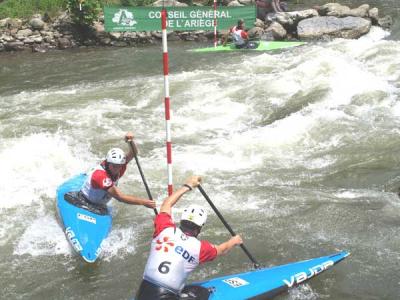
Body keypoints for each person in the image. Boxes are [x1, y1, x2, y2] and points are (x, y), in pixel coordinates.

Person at [135, 176, 243, 300]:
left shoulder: (164, 229)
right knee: (204, 292)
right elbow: (221, 250)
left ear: (182, 221)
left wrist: (187, 186)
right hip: (165, 296)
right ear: (199, 229)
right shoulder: (200, 248)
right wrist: (234, 241)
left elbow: (166, 204)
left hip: (142, 293)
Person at [79, 132, 156, 210]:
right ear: (108, 163)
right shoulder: (100, 175)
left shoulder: (120, 165)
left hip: (99, 205)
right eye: (114, 166)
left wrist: (130, 142)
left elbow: (133, 153)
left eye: (119, 166)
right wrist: (143, 202)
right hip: (85, 201)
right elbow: (120, 197)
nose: (117, 169)